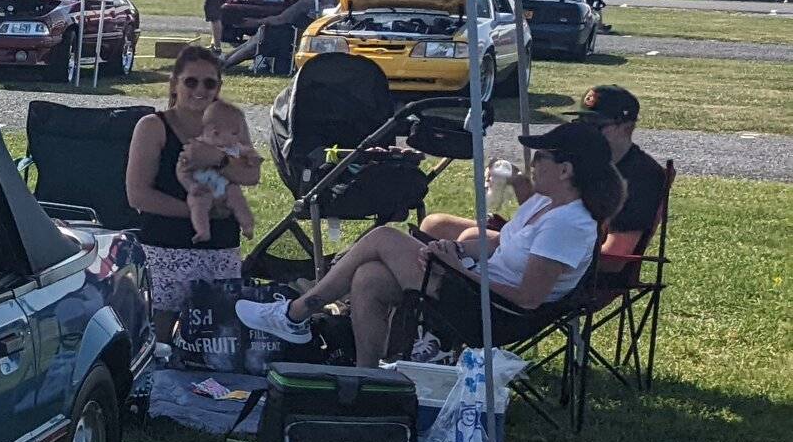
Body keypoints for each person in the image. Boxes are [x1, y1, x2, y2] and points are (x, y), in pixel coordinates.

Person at [240, 120, 621, 365]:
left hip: (490, 312)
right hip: (470, 285)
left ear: (567, 170)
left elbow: (527, 298)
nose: (533, 163)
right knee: (370, 276)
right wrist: (456, 251)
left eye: (540, 157)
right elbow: (501, 246)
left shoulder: (570, 224)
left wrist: (455, 269)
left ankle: (296, 313)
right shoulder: (543, 203)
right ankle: (368, 378)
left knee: (386, 237)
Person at [124, 48, 261, 321]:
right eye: (191, 81)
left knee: (218, 336)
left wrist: (218, 159)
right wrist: (198, 212)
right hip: (166, 247)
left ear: (219, 87)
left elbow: (251, 176)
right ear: (174, 83)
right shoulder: (152, 126)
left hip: (221, 248)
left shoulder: (232, 123)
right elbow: (138, 195)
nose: (200, 89)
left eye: (209, 83)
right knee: (160, 334)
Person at [576, 84, 668, 243]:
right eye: (582, 124)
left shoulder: (642, 175)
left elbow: (616, 258)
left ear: (627, 127)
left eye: (597, 125)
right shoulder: (576, 163)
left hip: (574, 264)